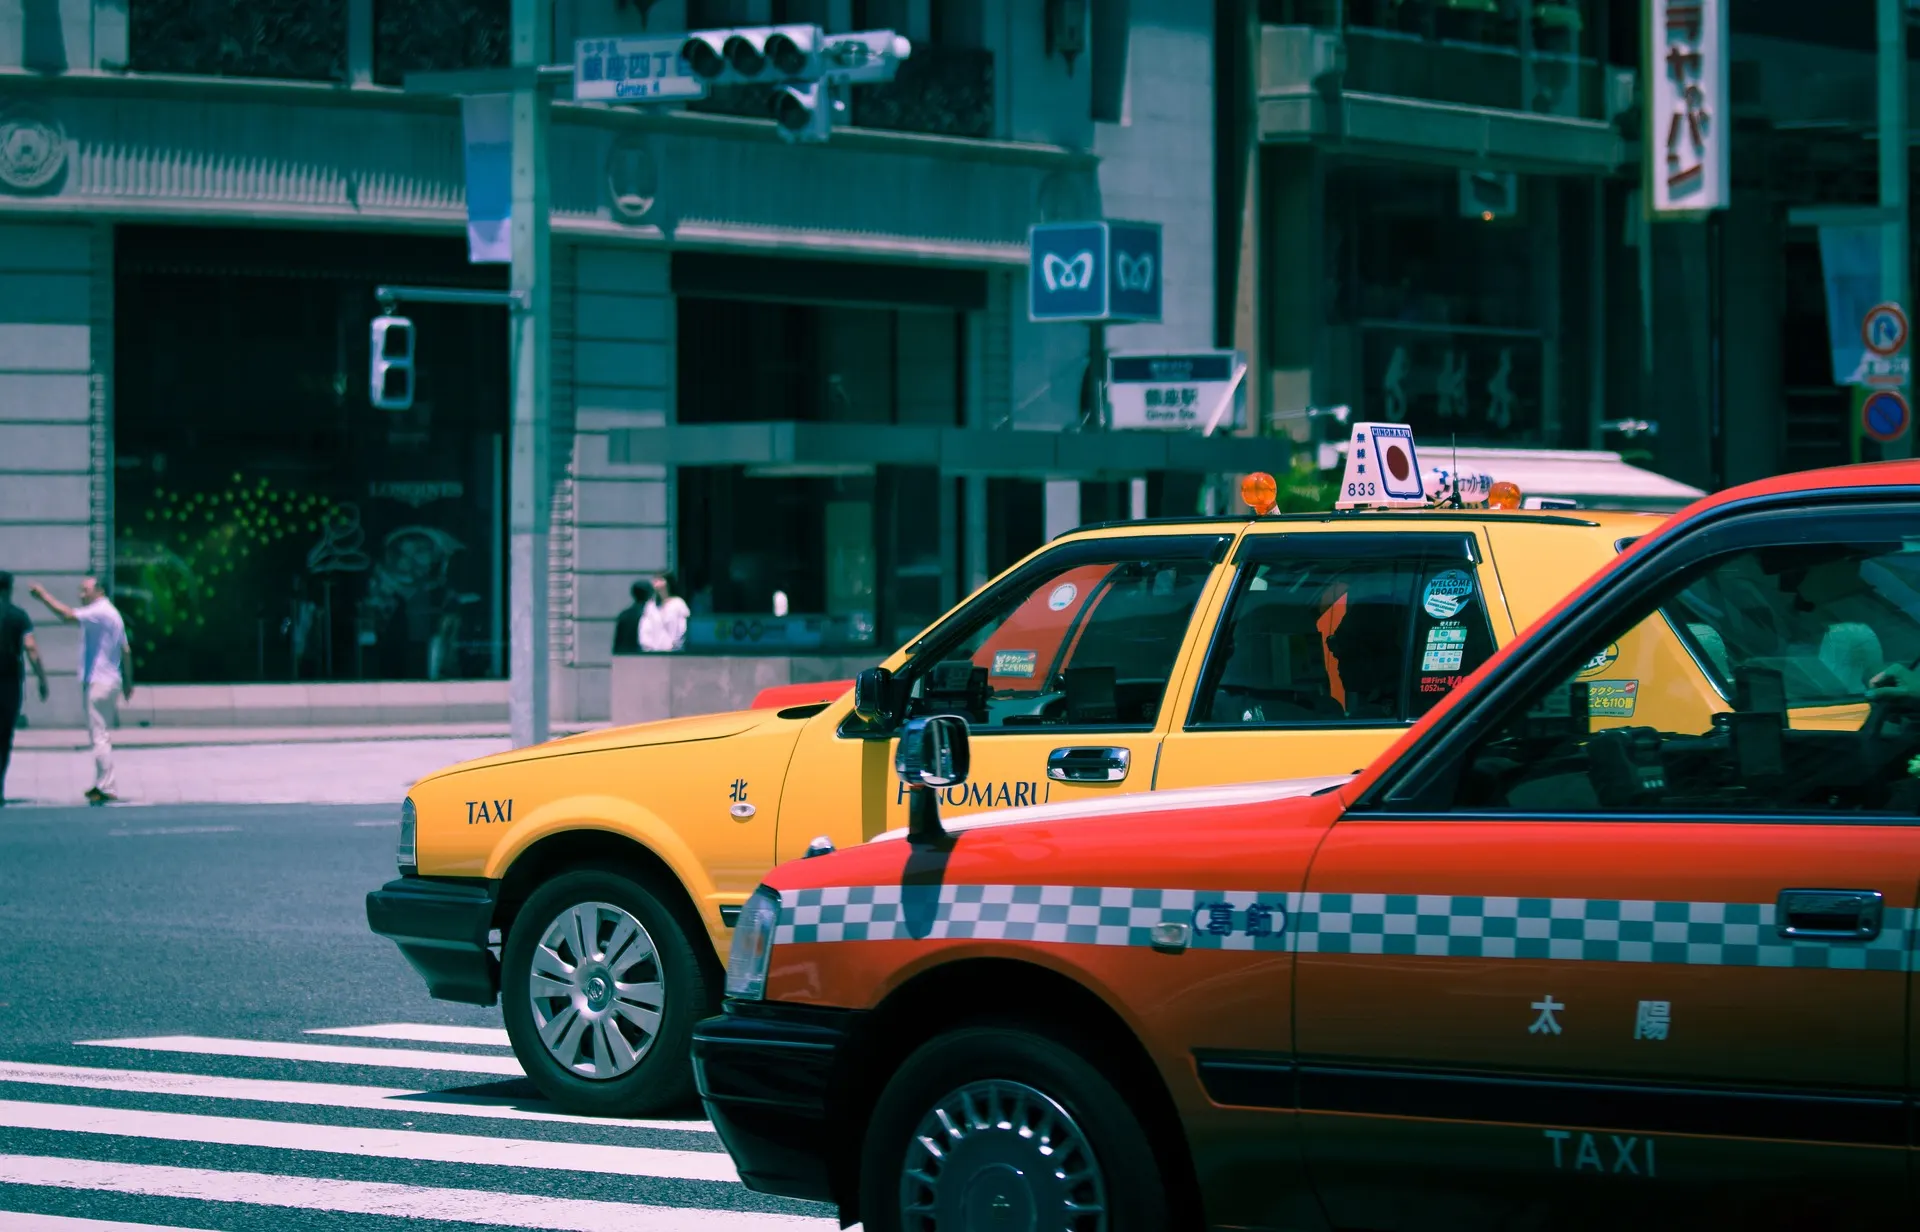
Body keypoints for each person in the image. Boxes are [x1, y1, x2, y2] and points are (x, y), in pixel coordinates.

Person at [30, 577, 132, 805]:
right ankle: (101, 783)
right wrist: (128, 682)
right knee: (100, 734)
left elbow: (66, 615)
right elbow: (126, 650)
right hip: (110, 681)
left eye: (85, 590)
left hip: (99, 682)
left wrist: (43, 595)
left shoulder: (100, 611)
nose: (81, 594)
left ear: (99, 591)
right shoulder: (113, 614)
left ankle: (107, 786)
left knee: (99, 736)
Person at [0, 571, 51, 806]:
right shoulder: (18, 616)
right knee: (4, 736)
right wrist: (42, 679)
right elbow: (31, 648)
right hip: (8, 683)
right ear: (9, 589)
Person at [639, 572, 689, 653]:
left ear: (667, 583)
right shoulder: (650, 605)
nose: (655, 582)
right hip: (652, 655)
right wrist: (647, 648)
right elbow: (644, 629)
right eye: (654, 579)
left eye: (659, 579)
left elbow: (681, 629)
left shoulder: (678, 604)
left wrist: (675, 648)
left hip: (673, 654)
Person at [612, 579, 652, 656]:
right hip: (644, 658)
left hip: (625, 657)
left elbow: (617, 642)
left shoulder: (624, 614)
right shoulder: (649, 614)